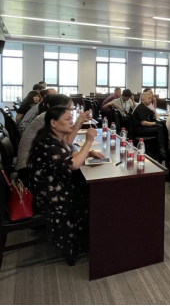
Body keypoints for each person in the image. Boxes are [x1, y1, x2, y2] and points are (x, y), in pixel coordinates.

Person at [30, 106, 105, 263]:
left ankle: (88, 238)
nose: (71, 122)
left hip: (54, 185)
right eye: (67, 119)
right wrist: (88, 142)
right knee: (93, 196)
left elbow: (67, 155)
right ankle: (83, 244)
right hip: (51, 194)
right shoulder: (47, 143)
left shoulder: (52, 137)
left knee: (89, 188)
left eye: (71, 119)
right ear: (53, 123)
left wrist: (88, 153)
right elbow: (74, 165)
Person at [17, 94, 91, 173]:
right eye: (68, 107)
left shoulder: (50, 120)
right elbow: (68, 143)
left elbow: (66, 151)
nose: (71, 109)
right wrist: (88, 140)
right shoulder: (47, 121)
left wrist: (88, 153)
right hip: (26, 168)